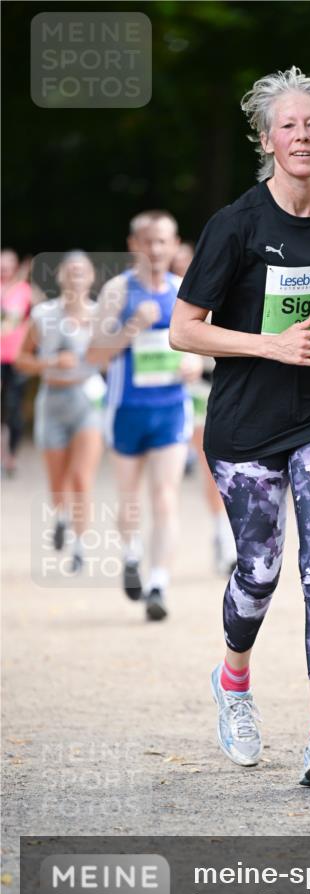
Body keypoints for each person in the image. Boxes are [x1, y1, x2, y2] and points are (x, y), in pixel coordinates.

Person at [170, 66, 310, 788]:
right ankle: (233, 681)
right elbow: (183, 331)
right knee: (260, 570)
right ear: (266, 140)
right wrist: (268, 344)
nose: (301, 136)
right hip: (245, 421)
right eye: (287, 125)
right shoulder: (234, 226)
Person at [87, 211, 202, 621]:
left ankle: (158, 585)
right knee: (130, 497)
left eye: (163, 242)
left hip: (170, 409)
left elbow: (204, 349)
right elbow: (93, 355)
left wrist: (196, 365)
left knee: (166, 498)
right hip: (126, 411)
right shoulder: (118, 292)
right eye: (148, 241)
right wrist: (130, 328)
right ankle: (131, 554)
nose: (156, 250)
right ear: (134, 244)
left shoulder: (185, 291)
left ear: (174, 245)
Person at [16, 252, 104, 571]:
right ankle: (62, 516)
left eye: (83, 271)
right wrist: (51, 362)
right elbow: (22, 360)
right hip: (52, 400)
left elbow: (112, 359)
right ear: (61, 277)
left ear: (92, 278)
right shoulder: (42, 315)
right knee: (58, 482)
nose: (76, 276)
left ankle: (79, 549)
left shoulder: (100, 316)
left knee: (81, 478)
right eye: (71, 270)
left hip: (87, 402)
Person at [170, 242, 236, 577]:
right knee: (212, 467)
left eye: (187, 262)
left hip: (223, 384)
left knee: (229, 468)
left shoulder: (219, 289)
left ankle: (227, 534)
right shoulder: (168, 299)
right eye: (177, 263)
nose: (182, 267)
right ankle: (223, 537)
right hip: (187, 390)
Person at [1, 249, 32, 476]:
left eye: (9, 264)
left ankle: (10, 457)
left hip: (16, 357)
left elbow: (12, 321)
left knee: (14, 409)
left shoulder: (24, 290)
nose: (5, 269)